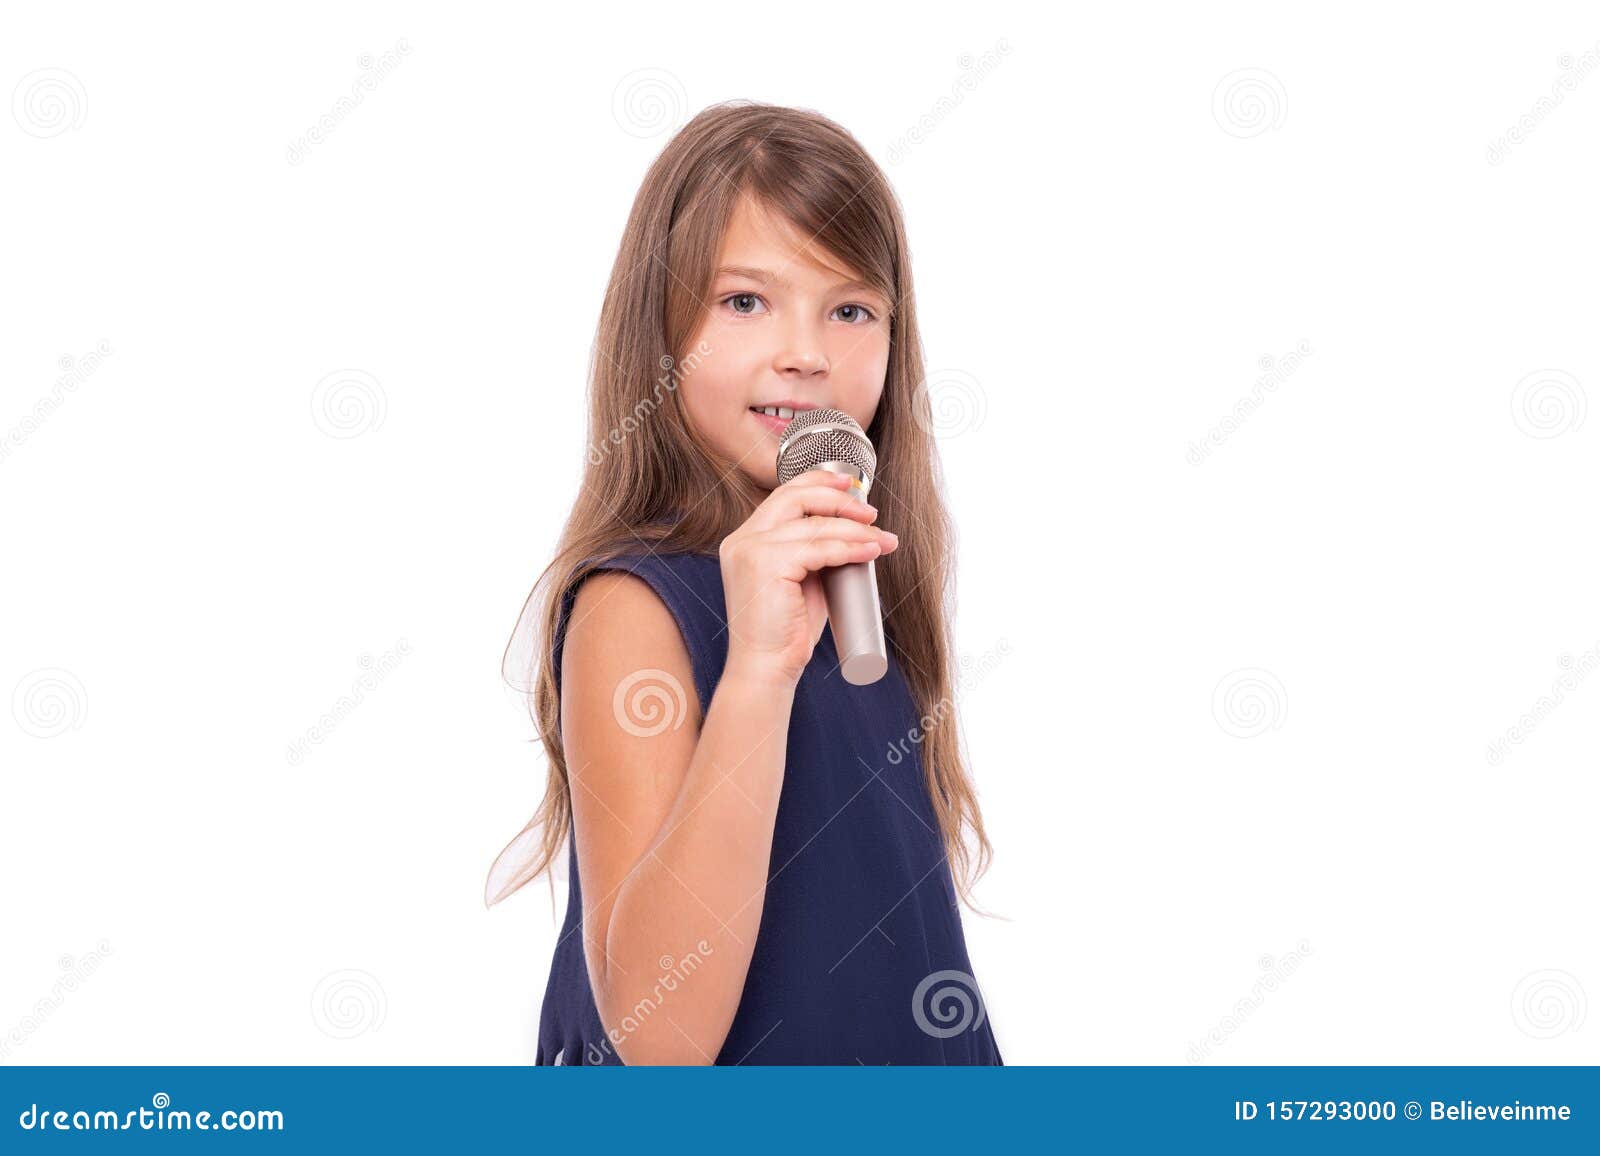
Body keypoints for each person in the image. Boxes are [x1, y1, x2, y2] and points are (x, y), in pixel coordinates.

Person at [487, 101, 1000, 1065]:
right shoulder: (635, 607)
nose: (807, 351)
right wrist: (758, 670)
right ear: (662, 331)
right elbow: (659, 1037)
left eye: (850, 310)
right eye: (746, 301)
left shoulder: (862, 602)